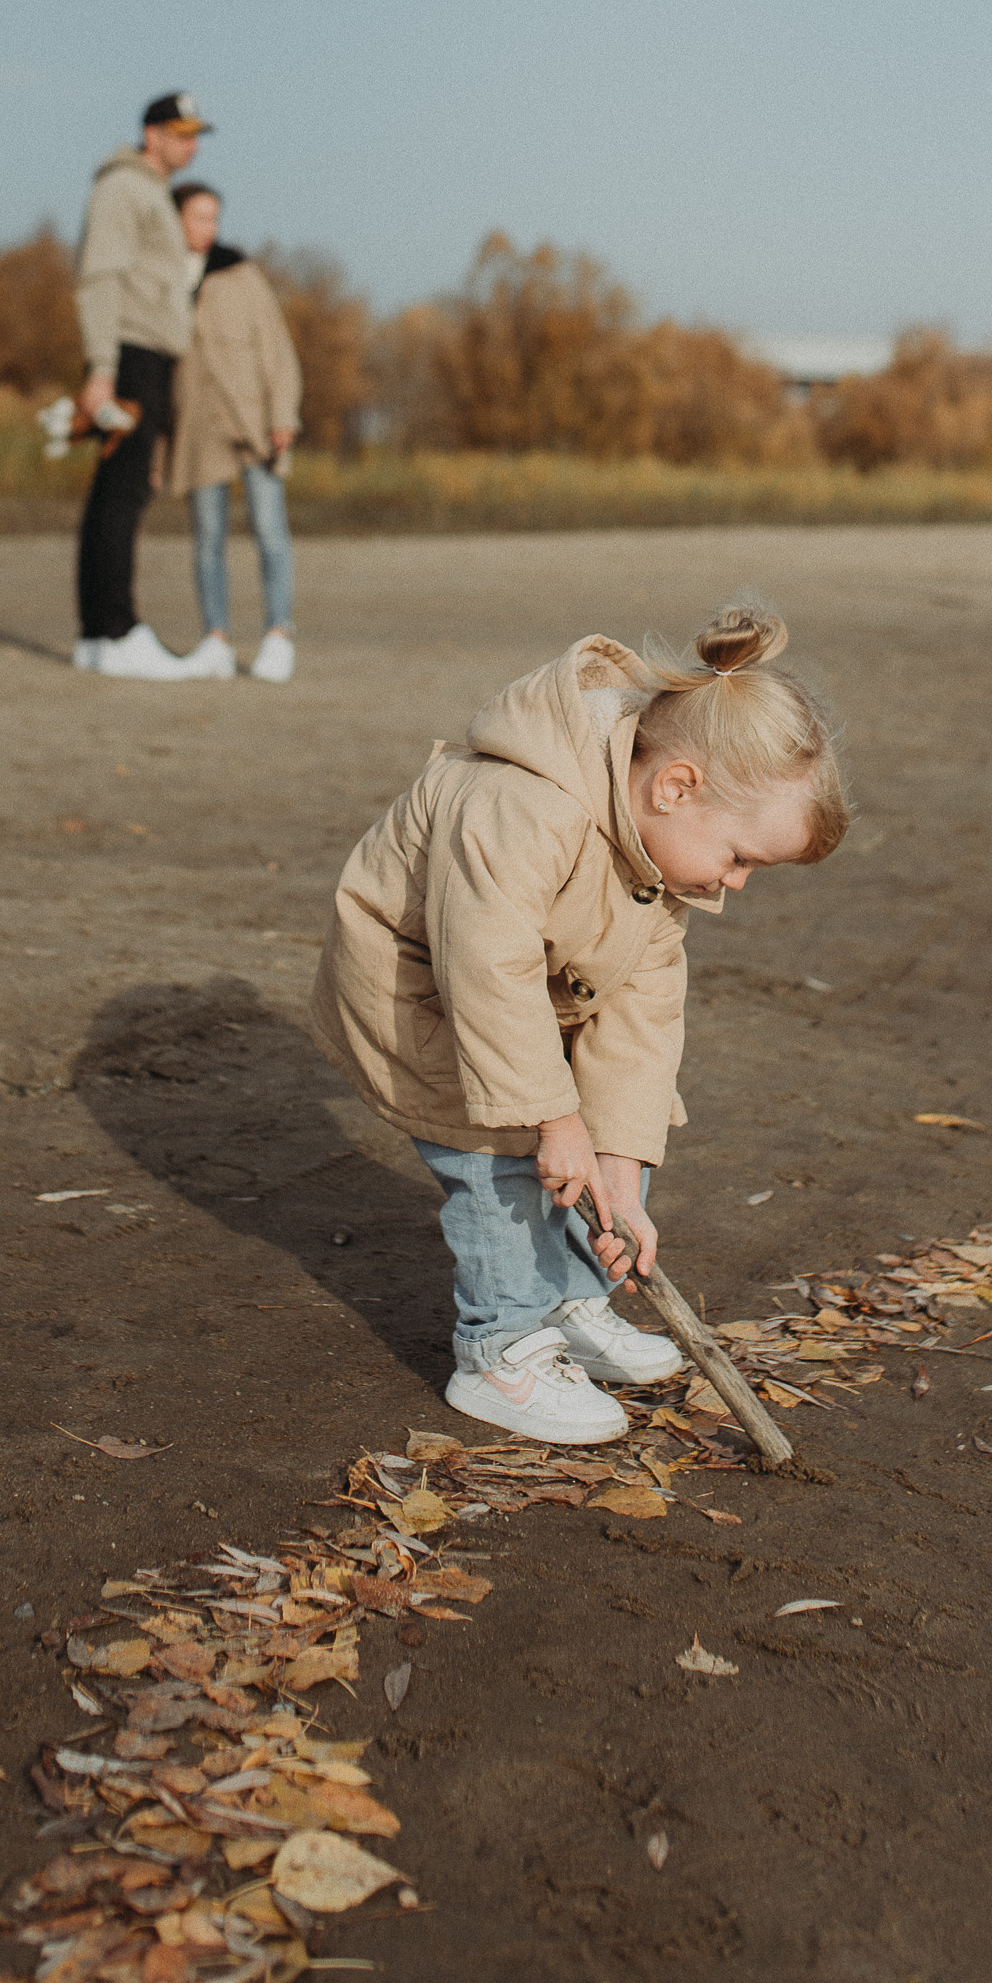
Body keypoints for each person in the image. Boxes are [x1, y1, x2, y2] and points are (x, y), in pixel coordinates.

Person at [310, 607, 849, 1443]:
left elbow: (642, 1012)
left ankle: (567, 1297)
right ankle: (501, 1348)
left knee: (580, 1142)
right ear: (675, 786)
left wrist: (618, 1166)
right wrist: (553, 1119)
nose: (736, 884)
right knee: (493, 1146)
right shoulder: (520, 803)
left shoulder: (658, 850)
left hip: (537, 992)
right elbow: (486, 971)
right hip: (420, 989)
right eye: (741, 857)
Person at [71, 92, 211, 679]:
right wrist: (102, 368)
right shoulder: (124, 189)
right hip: (130, 355)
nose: (191, 144)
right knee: (122, 493)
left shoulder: (149, 192)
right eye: (179, 133)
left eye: (195, 133)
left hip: (146, 355)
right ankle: (118, 630)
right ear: (150, 134)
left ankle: (99, 636)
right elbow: (99, 277)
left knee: (117, 490)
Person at [166, 182, 302, 685]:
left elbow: (277, 347)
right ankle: (215, 640)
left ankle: (278, 635)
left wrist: (282, 414)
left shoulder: (242, 275)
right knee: (207, 538)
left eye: (214, 218)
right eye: (199, 217)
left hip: (254, 423)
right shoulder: (161, 277)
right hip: (197, 428)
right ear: (174, 218)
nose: (209, 228)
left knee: (269, 531)